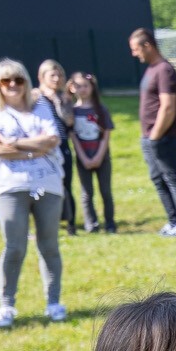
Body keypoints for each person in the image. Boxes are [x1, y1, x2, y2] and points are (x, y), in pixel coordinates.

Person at [0, 59, 66, 328]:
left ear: (27, 82)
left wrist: (13, 143)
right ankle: (6, 305)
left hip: (48, 183)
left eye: (18, 80)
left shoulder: (41, 108)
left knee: (49, 245)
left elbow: (53, 140)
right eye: (6, 81)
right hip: (9, 186)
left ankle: (54, 302)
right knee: (14, 246)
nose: (13, 85)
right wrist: (34, 148)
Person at [129, 26, 176, 236]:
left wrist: (155, 135)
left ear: (148, 45)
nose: (134, 54)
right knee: (158, 180)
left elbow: (168, 106)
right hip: (149, 137)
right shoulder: (151, 69)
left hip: (164, 138)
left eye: (136, 49)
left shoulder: (165, 70)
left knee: (172, 178)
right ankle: (173, 221)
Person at [67, 69, 116, 233]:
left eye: (86, 86)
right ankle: (91, 224)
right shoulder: (72, 112)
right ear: (72, 87)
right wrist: (83, 158)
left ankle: (110, 223)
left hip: (102, 158)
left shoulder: (101, 109)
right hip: (83, 158)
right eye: (78, 86)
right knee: (87, 192)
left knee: (106, 191)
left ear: (92, 87)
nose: (83, 89)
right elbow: (73, 136)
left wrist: (99, 156)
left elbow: (106, 134)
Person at [34, 59, 78, 238]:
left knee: (66, 184)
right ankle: (44, 224)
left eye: (59, 75)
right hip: (43, 148)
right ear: (42, 77)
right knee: (42, 187)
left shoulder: (64, 98)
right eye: (52, 75)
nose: (56, 79)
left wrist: (62, 100)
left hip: (62, 146)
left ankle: (71, 224)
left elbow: (70, 122)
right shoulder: (35, 97)